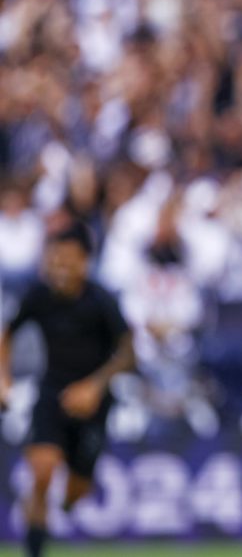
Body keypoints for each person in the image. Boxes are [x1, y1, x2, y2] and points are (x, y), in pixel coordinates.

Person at [0, 221, 135, 557]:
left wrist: (94, 385)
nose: (60, 267)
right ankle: (33, 550)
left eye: (68, 260)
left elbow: (128, 353)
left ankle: (70, 499)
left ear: (85, 262)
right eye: (55, 259)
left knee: (77, 491)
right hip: (52, 392)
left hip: (95, 401)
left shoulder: (101, 300)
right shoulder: (38, 296)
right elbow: (7, 335)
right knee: (42, 472)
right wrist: (3, 378)